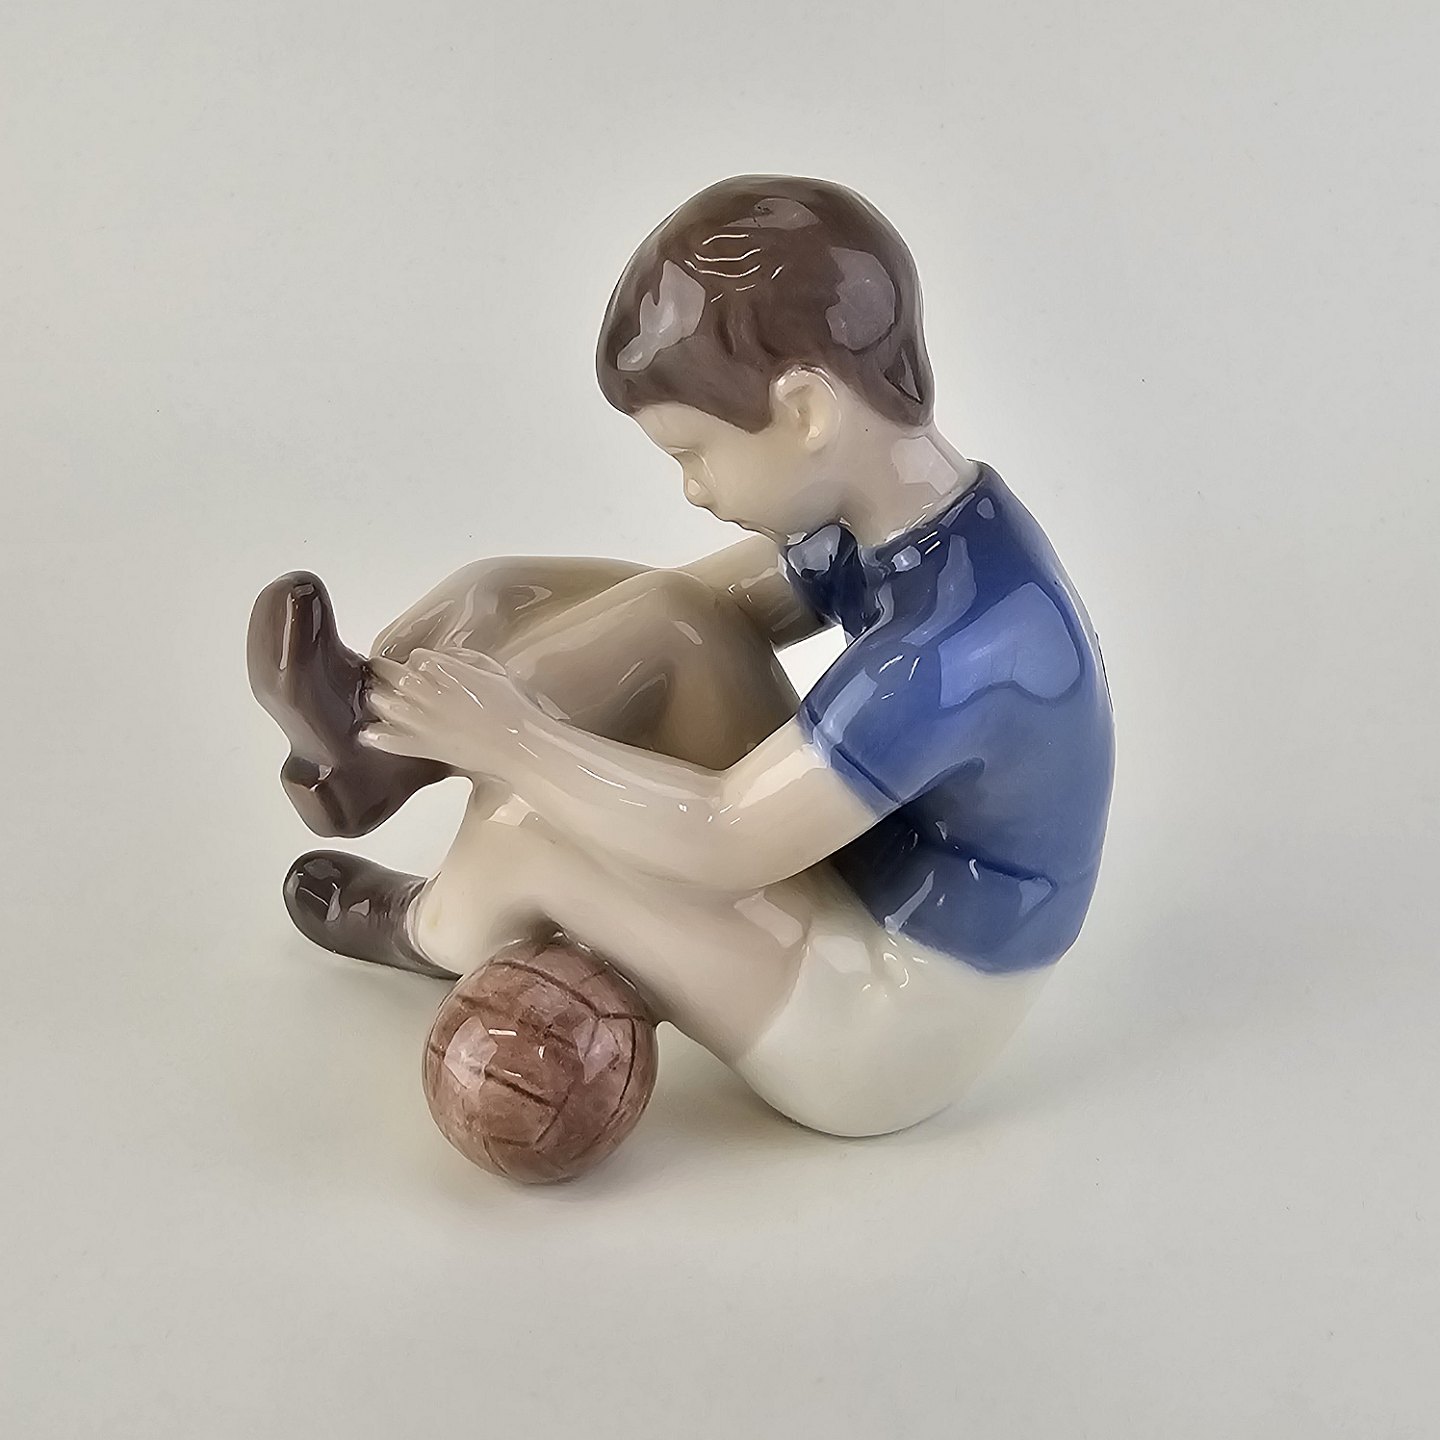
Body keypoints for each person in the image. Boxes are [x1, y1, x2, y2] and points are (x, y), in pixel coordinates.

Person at [248, 175, 1114, 1137]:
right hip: (859, 867)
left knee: (532, 818)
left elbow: (725, 834)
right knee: (662, 616)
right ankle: (367, 735)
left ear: (806, 411)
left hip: (888, 1014)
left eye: (693, 454)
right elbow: (687, 606)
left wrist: (515, 740)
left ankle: (429, 927)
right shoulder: (912, 520)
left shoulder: (955, 648)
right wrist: (496, 604)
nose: (693, 490)